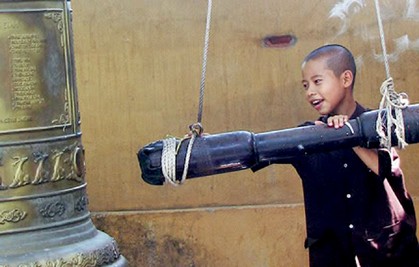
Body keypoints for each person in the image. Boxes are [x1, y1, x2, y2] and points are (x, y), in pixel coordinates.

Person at [289, 44, 418, 266]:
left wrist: (348, 135)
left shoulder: (378, 123)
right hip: (334, 256)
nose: (309, 91)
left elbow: (383, 168)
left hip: (388, 255)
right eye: (305, 85)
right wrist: (209, 144)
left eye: (317, 81)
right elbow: (253, 152)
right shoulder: (309, 135)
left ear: (345, 79)